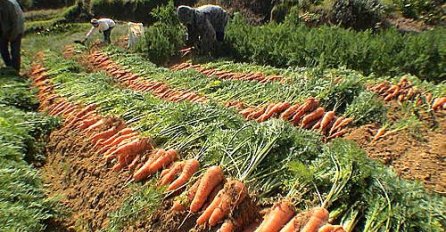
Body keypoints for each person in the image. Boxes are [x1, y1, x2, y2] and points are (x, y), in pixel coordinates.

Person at [0, 0, 24, 72]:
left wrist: (13, 36)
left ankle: (16, 71)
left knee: (15, 52)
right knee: (3, 51)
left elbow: (16, 22)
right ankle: (10, 69)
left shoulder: (11, 5)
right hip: (3, 30)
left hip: (16, 28)